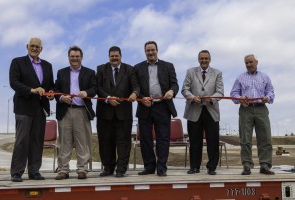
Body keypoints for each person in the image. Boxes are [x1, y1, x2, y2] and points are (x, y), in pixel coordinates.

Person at [9, 37, 54, 182]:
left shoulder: (47, 65)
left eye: (37, 46)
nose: (34, 48)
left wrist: (51, 93)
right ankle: (17, 172)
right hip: (23, 107)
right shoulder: (17, 62)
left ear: (41, 49)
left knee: (37, 141)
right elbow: (14, 82)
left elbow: (50, 85)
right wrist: (31, 90)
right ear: (27, 46)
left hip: (40, 108)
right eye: (32, 46)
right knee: (22, 140)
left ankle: (34, 171)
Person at [134, 41, 179, 177]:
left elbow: (175, 84)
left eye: (152, 50)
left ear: (157, 50)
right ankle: (149, 166)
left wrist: (171, 91)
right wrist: (141, 98)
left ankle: (161, 167)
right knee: (145, 139)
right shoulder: (137, 68)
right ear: (145, 52)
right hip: (144, 106)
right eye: (148, 50)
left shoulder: (168, 66)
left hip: (162, 106)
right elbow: (135, 87)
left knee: (163, 138)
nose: (150, 52)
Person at [96, 46, 140, 178]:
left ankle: (121, 169)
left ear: (121, 56)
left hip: (123, 113)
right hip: (105, 112)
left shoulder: (130, 69)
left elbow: (136, 86)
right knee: (105, 142)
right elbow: (97, 87)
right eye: (112, 56)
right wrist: (108, 98)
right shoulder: (100, 69)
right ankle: (108, 168)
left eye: (116, 56)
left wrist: (135, 93)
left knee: (123, 142)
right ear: (108, 56)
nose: (114, 58)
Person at [54, 46, 97, 180]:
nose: (74, 59)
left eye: (77, 56)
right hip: (65, 111)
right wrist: (61, 97)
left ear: (81, 57)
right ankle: (63, 170)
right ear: (68, 58)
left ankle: (82, 169)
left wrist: (87, 92)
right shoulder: (61, 73)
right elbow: (56, 89)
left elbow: (94, 88)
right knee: (64, 141)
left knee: (82, 141)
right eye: (72, 56)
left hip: (81, 111)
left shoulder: (90, 72)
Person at [230, 54, 275, 175]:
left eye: (251, 62)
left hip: (261, 109)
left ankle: (265, 165)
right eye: (246, 63)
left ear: (256, 62)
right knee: (245, 139)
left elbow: (271, 91)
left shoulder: (265, 77)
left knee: (265, 138)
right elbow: (233, 93)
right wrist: (240, 98)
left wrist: (268, 97)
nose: (249, 65)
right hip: (246, 110)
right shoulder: (240, 78)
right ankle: (247, 165)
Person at [181, 50, 224, 175]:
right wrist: (192, 97)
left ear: (209, 59)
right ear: (198, 59)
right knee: (194, 141)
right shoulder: (190, 72)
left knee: (213, 141)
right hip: (194, 110)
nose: (204, 60)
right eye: (201, 58)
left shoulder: (217, 73)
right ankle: (194, 166)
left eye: (206, 58)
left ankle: (212, 167)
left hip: (211, 111)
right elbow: (184, 89)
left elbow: (220, 92)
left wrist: (211, 98)